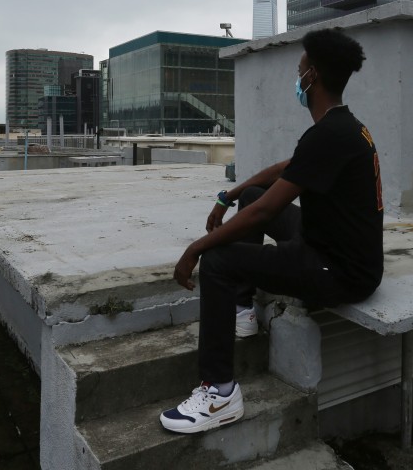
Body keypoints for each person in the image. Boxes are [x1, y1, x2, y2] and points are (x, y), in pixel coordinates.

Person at [160, 27, 384, 434]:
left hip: (340, 272)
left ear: (312, 76)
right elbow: (281, 174)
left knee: (217, 260)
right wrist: (230, 194)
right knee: (252, 197)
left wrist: (196, 246)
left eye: (300, 69)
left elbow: (266, 213)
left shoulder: (331, 135)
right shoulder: (342, 126)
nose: (296, 78)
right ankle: (243, 313)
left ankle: (220, 394)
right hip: (331, 246)